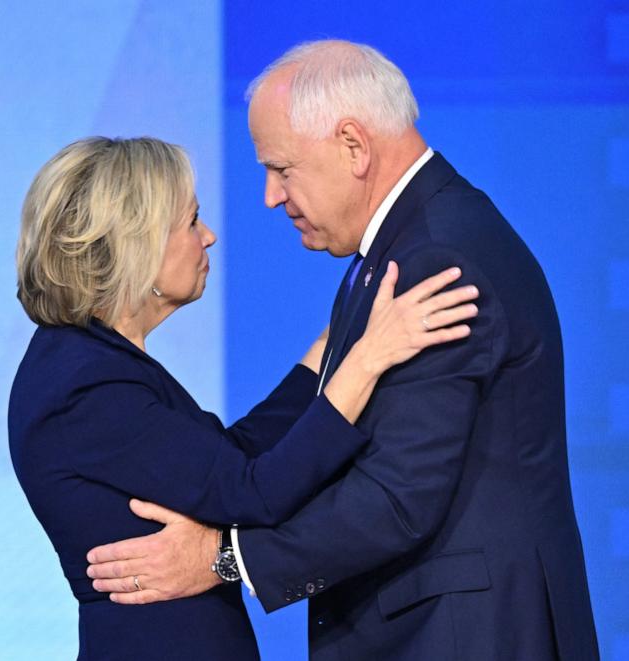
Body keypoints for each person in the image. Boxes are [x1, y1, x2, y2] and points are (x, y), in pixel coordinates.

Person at [86, 42, 600, 660]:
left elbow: (397, 496)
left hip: (463, 637)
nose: (271, 197)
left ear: (353, 146)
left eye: (282, 168)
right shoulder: (401, 248)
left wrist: (226, 558)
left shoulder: (435, 260)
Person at [8, 136, 480, 660]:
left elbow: (229, 462)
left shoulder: (87, 364)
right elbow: (254, 492)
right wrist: (367, 359)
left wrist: (329, 350)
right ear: (135, 245)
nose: (207, 237)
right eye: (190, 222)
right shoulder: (86, 386)